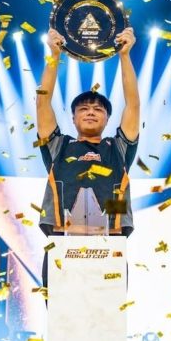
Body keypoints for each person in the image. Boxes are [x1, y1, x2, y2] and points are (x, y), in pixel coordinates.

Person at [36, 27, 139, 283]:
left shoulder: (118, 148)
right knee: (61, 309)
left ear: (107, 119)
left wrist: (125, 56)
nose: (91, 112)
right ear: (73, 118)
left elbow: (133, 105)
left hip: (111, 241)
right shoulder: (59, 146)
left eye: (98, 109)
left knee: (109, 308)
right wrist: (54, 55)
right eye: (83, 108)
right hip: (61, 241)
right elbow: (42, 103)